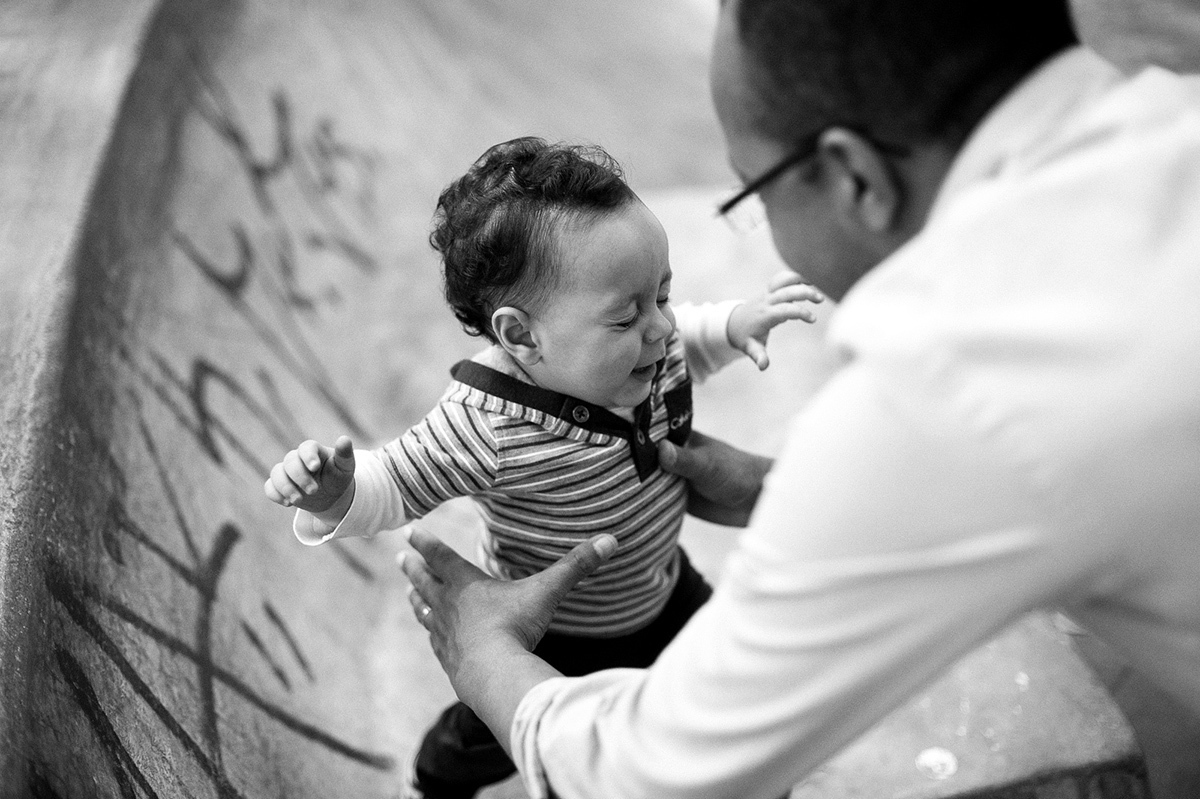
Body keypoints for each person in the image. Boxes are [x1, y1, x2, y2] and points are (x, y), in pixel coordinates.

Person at [398, 1, 1200, 798]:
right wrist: (780, 490)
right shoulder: (1176, 108)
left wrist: (484, 652)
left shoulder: (942, 380)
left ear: (854, 176)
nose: (659, 330)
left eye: (757, 192)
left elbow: (654, 772)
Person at [263, 136, 823, 798]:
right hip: (552, 632)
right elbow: (393, 483)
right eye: (626, 315)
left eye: (662, 294)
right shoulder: (486, 423)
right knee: (484, 734)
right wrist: (333, 492)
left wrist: (736, 324)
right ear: (521, 335)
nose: (660, 327)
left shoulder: (651, 348)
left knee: (731, 696)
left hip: (662, 590)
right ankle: (434, 781)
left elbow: (692, 335)